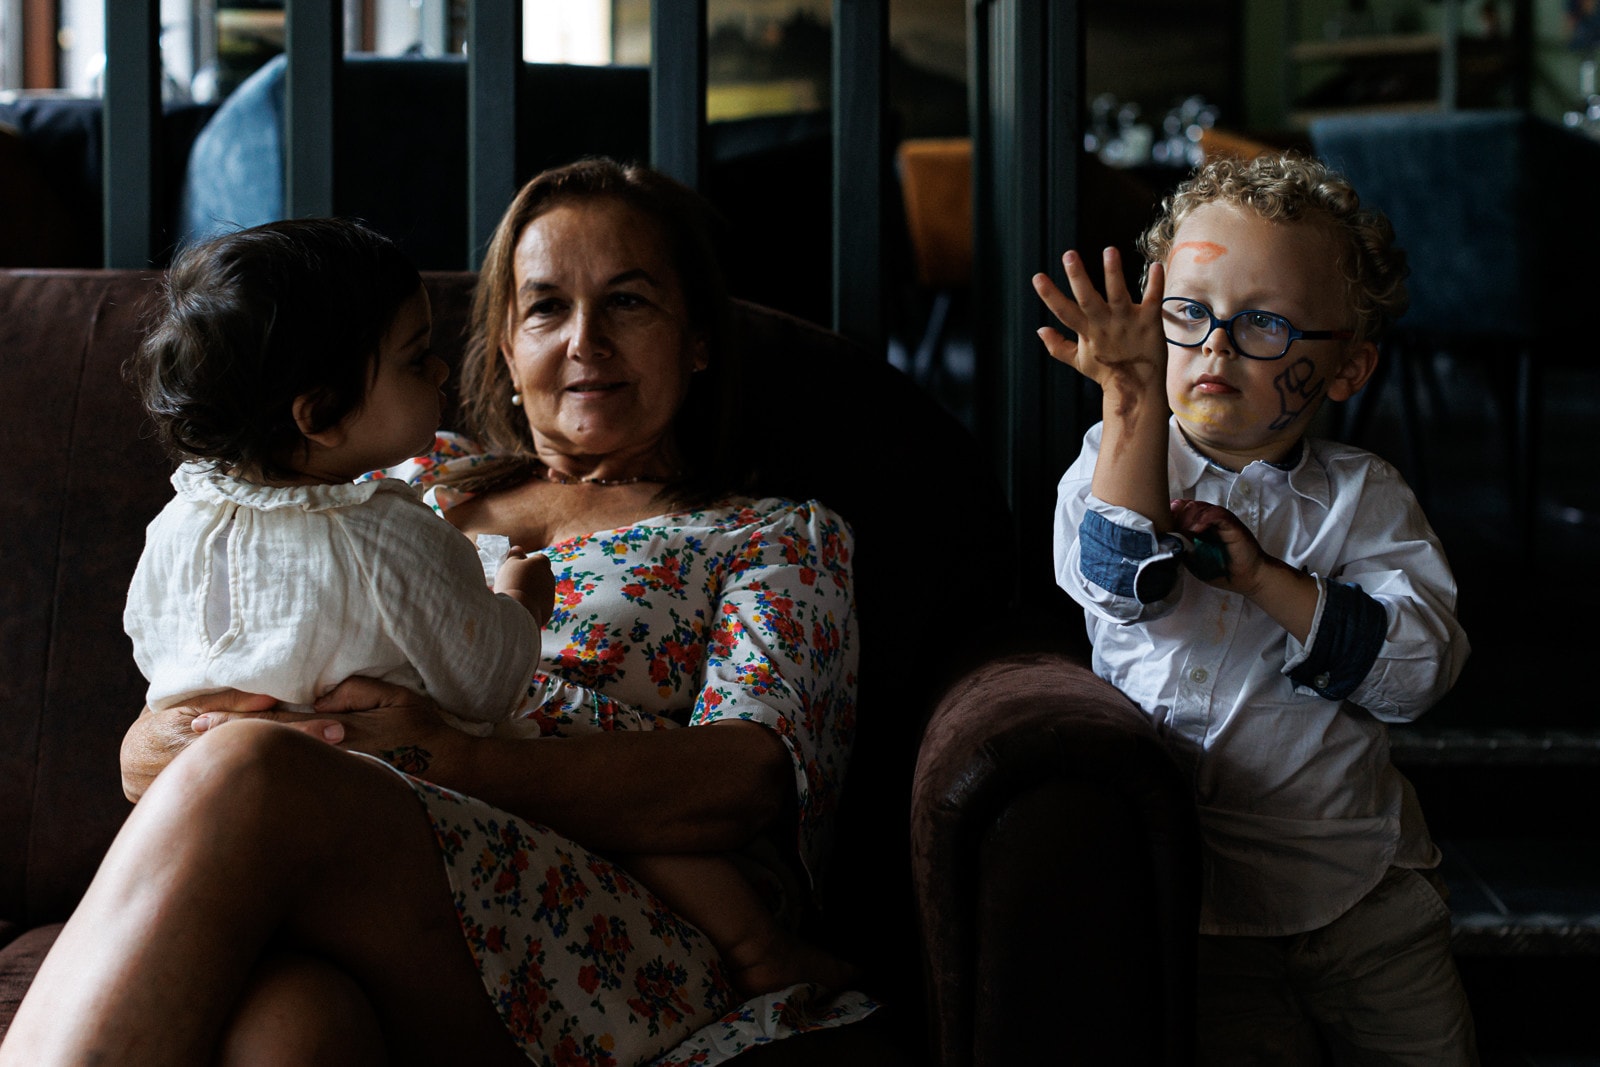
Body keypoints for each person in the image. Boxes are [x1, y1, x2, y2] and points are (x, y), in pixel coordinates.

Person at [1, 159, 870, 1067]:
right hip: (346, 877)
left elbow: (750, 778)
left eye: (628, 302)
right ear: (502, 341)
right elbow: (163, 724)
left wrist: (454, 760)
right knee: (291, 1026)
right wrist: (172, 739)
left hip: (610, 921)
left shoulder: (767, 535)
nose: (583, 340)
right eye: (545, 307)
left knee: (255, 771)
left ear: (696, 336)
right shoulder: (377, 471)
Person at [1034, 150, 1477, 1063]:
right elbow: (1121, 586)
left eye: (1266, 323)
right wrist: (1127, 401)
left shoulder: (1366, 498)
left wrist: (1269, 580)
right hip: (1198, 907)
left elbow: (1418, 672)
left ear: (1348, 366)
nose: (1215, 348)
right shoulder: (1109, 462)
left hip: (1365, 898)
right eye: (1187, 315)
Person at [122, 217, 551, 737]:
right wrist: (523, 603)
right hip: (381, 796)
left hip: (208, 777)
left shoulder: (173, 527)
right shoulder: (388, 536)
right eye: (416, 360)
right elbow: (490, 686)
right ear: (321, 414)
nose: (441, 369)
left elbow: (158, 667)